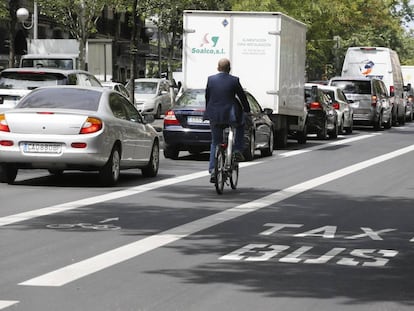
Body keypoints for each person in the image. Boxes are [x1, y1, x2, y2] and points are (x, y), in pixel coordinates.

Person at [204, 58, 251, 183]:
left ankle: (213, 169)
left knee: (215, 142)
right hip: (230, 116)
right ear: (229, 68)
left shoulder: (211, 80)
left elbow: (207, 96)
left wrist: (207, 111)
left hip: (214, 114)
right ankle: (236, 150)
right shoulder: (234, 80)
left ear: (218, 67)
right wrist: (247, 110)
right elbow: (242, 96)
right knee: (241, 124)